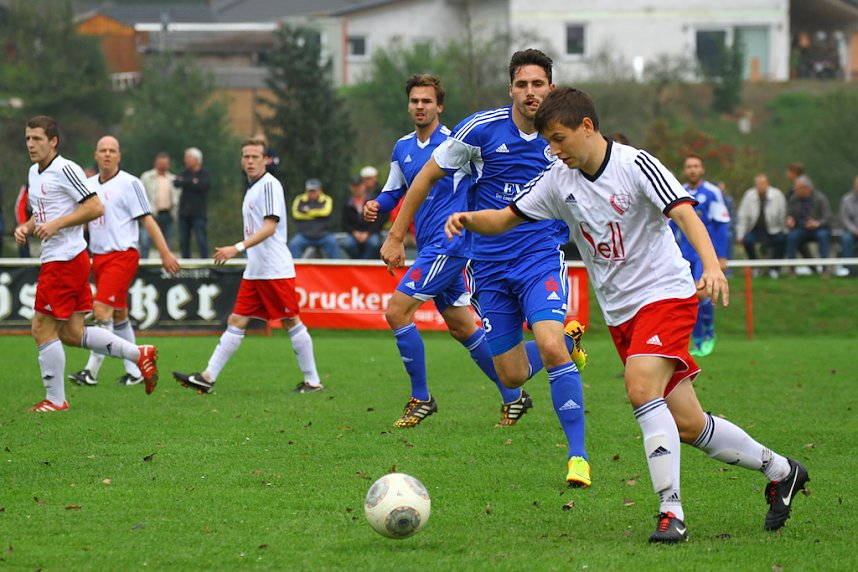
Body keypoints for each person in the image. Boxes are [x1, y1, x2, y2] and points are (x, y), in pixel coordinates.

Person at [445, 86, 810, 543]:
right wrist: (468, 219)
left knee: (640, 389)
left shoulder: (635, 164)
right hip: (622, 315)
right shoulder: (558, 180)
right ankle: (782, 471)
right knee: (689, 423)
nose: (553, 150)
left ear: (587, 126)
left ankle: (671, 513)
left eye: (558, 139)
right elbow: (505, 218)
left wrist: (712, 265)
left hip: (666, 295)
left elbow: (685, 213)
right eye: (548, 142)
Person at [380, 49, 591, 487]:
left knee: (548, 345)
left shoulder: (563, 137)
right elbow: (425, 177)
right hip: (489, 266)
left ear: (550, 88)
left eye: (538, 84)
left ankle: (578, 458)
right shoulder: (480, 129)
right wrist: (397, 235)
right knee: (511, 374)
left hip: (539, 257)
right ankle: (569, 343)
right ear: (510, 88)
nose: (530, 92)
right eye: (522, 84)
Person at [14, 116, 159, 411]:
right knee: (71, 333)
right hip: (65, 259)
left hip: (64, 260)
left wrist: (56, 225)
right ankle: (138, 354)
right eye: (28, 138)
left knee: (41, 328)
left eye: (37, 138)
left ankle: (55, 400)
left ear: (53, 141)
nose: (30, 144)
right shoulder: (34, 172)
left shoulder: (65, 169)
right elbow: (45, 213)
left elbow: (94, 207)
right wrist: (27, 227)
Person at [172, 139, 323, 394]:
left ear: (265, 160)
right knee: (236, 320)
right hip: (256, 270)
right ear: (242, 160)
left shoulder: (269, 185)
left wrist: (237, 247)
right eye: (246, 156)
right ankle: (207, 377)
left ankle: (313, 381)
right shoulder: (252, 188)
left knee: (290, 321)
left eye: (255, 156)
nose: (251, 161)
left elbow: (270, 227)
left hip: (274, 269)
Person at [67, 136, 179, 388]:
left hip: (123, 255)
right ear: (96, 155)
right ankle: (136, 370)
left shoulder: (130, 183)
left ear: (119, 156)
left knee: (100, 311)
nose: (107, 154)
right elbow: (80, 220)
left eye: (112, 150)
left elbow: (147, 220)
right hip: (98, 257)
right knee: (119, 314)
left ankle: (91, 372)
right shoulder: (88, 185)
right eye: (103, 150)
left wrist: (165, 253)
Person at [677, 155, 730, 357]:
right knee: (687, 296)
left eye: (696, 166)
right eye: (689, 166)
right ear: (685, 170)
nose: (692, 170)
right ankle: (697, 340)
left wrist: (721, 256)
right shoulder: (678, 191)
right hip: (684, 252)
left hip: (704, 252)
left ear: (702, 169)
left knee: (700, 293)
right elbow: (672, 224)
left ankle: (708, 334)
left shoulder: (712, 192)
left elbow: (721, 225)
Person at [736, 174, 787, 274]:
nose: (760, 186)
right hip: (755, 229)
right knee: (747, 241)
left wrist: (785, 231)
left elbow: (783, 215)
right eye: (758, 184)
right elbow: (743, 216)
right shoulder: (749, 195)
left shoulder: (777, 195)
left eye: (762, 184)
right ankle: (755, 266)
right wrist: (740, 235)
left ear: (768, 184)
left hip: (774, 229)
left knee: (781, 240)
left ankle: (775, 269)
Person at [785, 175, 832, 277]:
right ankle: (792, 270)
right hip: (800, 229)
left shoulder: (820, 198)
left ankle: (825, 270)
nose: (795, 190)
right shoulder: (793, 199)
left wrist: (816, 223)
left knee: (823, 236)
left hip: (818, 229)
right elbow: (788, 215)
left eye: (797, 188)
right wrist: (789, 220)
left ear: (806, 189)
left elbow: (827, 217)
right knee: (792, 236)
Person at [139, 152, 179, 258]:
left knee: (167, 243)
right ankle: (144, 264)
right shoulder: (147, 177)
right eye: (160, 163)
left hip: (167, 214)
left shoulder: (172, 179)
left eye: (165, 164)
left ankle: (166, 265)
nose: (162, 166)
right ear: (156, 163)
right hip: (151, 214)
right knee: (145, 242)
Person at [288, 178, 340, 259]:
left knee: (333, 243)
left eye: (314, 191)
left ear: (320, 190)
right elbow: (296, 214)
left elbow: (325, 212)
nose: (312, 193)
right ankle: (294, 267)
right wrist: (317, 213)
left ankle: (335, 267)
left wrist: (307, 212)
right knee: (293, 244)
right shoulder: (300, 199)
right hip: (304, 235)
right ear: (306, 190)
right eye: (310, 191)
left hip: (323, 235)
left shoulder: (327, 199)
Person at [175, 147, 210, 258]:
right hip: (184, 212)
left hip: (198, 213)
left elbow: (203, 185)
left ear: (196, 159)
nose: (185, 161)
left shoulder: (204, 173)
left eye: (188, 158)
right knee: (184, 240)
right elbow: (176, 183)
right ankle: (186, 263)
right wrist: (192, 182)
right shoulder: (184, 172)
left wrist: (186, 183)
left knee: (201, 239)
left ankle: (206, 262)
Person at [342, 174, 387, 259]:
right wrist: (355, 233)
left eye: (359, 186)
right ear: (351, 188)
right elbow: (345, 223)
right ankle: (359, 262)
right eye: (354, 186)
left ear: (364, 186)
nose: (357, 189)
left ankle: (362, 263)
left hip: (371, 232)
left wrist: (368, 233)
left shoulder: (373, 201)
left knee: (373, 243)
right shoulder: (347, 203)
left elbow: (379, 221)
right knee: (348, 244)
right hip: (354, 234)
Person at [838, 175, 858, 276]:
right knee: (846, 239)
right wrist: (854, 230)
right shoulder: (846, 199)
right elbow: (844, 219)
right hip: (851, 231)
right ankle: (850, 269)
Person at [15, 184, 32, 257]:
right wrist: (22, 223)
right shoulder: (26, 188)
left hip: (43, 220)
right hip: (27, 221)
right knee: (21, 232)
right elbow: (20, 206)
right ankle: (25, 258)